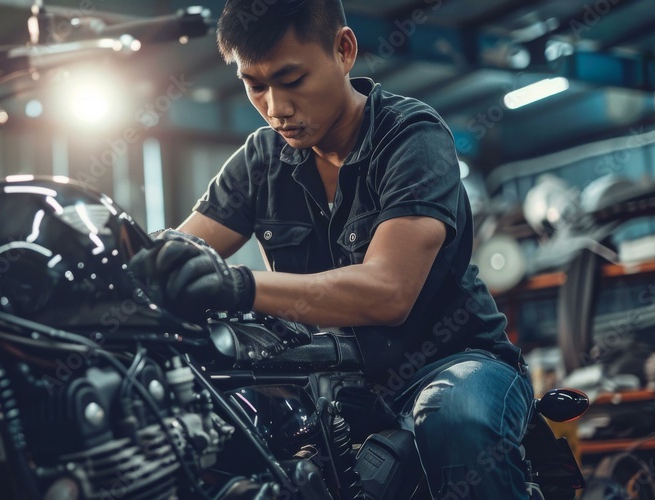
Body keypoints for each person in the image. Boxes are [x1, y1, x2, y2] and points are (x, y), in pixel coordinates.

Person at [130, 0, 534, 498]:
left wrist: (239, 286)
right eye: (255, 84)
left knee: (456, 419)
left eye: (292, 78)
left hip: (451, 363)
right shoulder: (261, 160)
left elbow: (388, 292)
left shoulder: (412, 137)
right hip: (331, 385)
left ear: (344, 51)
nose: (276, 108)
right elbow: (177, 256)